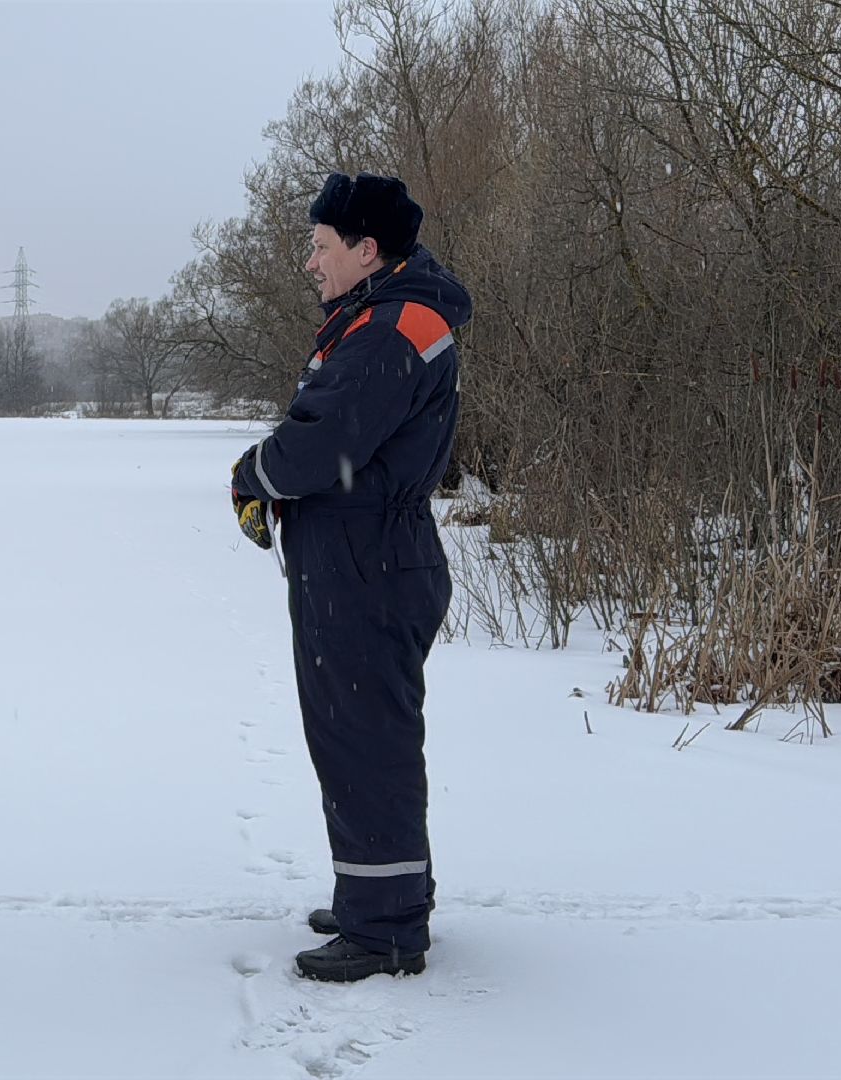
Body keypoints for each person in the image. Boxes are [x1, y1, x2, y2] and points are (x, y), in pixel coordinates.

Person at [230, 173, 471, 981]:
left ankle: (387, 928)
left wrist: (252, 473)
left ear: (367, 250)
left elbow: (322, 443)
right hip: (364, 556)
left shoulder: (393, 328)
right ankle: (382, 894)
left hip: (368, 562)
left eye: (321, 246)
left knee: (366, 738)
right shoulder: (381, 316)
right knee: (358, 735)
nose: (310, 263)